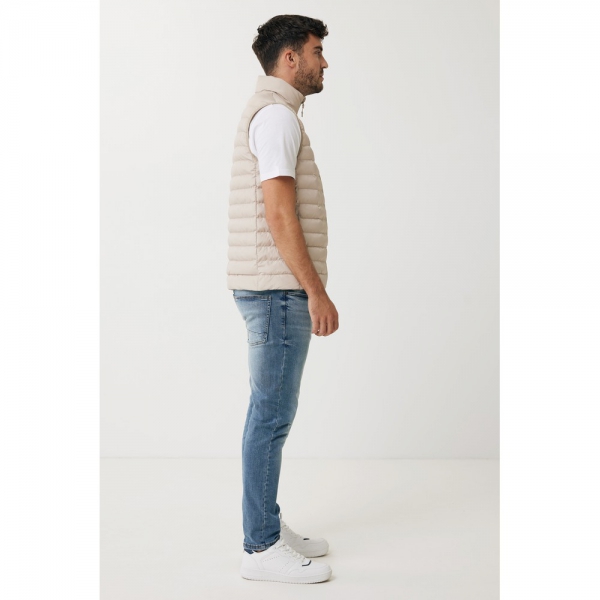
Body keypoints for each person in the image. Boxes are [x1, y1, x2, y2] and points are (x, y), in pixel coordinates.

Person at [226, 15, 339, 584]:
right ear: (289, 57)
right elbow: (278, 213)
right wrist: (315, 291)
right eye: (316, 51)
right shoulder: (275, 117)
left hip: (274, 289)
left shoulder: (277, 114)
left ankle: (265, 524)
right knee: (269, 417)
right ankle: (261, 547)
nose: (324, 62)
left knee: (270, 414)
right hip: (278, 291)